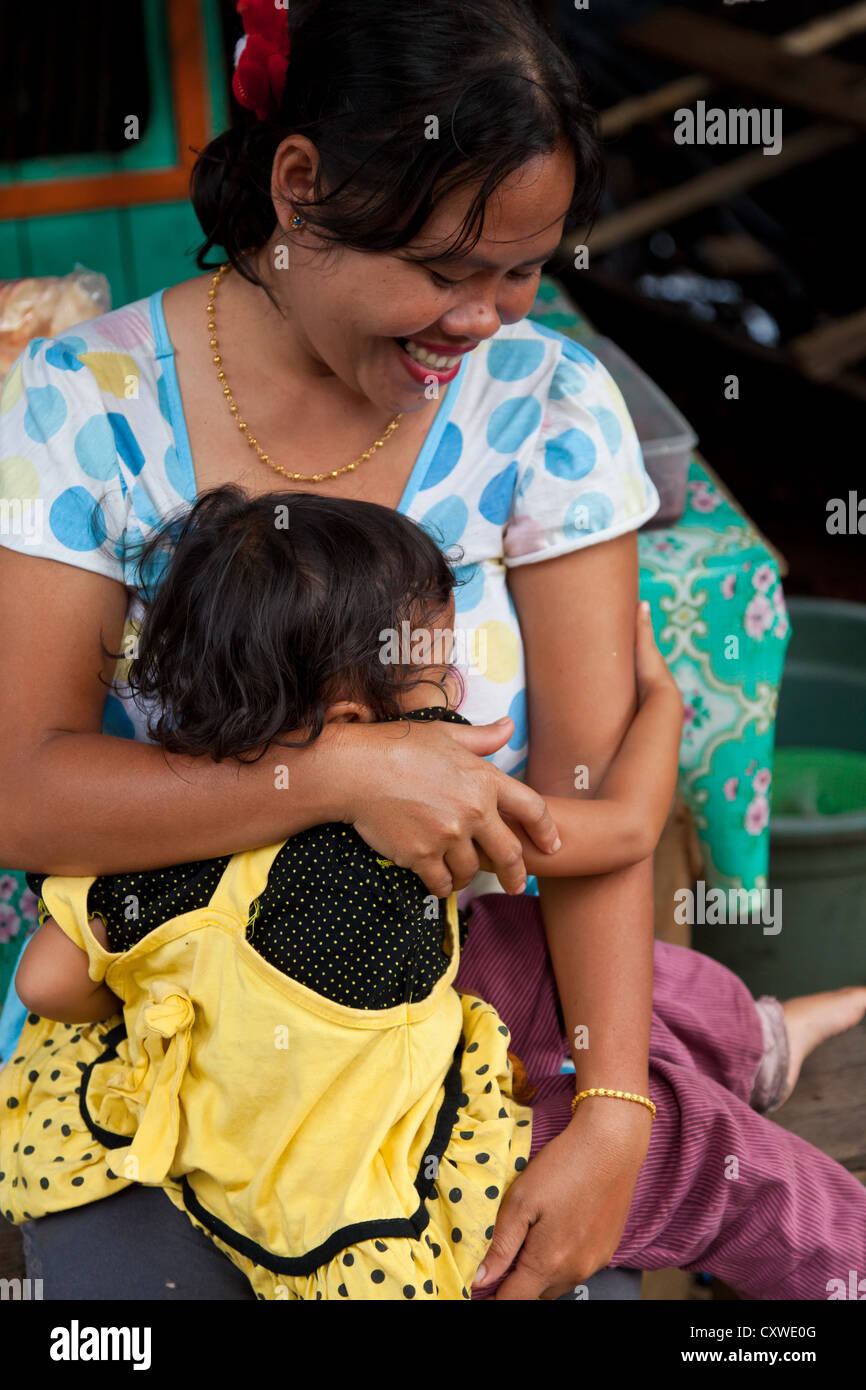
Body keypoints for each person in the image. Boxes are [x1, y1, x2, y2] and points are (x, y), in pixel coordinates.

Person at [1, 0, 864, 1300]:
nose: (481, 319)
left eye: (520, 269)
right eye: (443, 265)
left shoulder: (544, 403)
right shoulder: (84, 408)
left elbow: (583, 801)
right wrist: (342, 782)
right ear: (300, 186)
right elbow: (25, 790)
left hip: (490, 1001)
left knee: (686, 1182)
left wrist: (613, 1107)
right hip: (186, 1037)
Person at [4, 485, 682, 1301]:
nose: (456, 689)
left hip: (224, 1177)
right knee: (704, 1149)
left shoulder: (153, 833)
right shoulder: (428, 812)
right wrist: (665, 712)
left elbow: (43, 983)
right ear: (362, 717)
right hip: (361, 1201)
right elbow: (627, 830)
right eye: (443, 670)